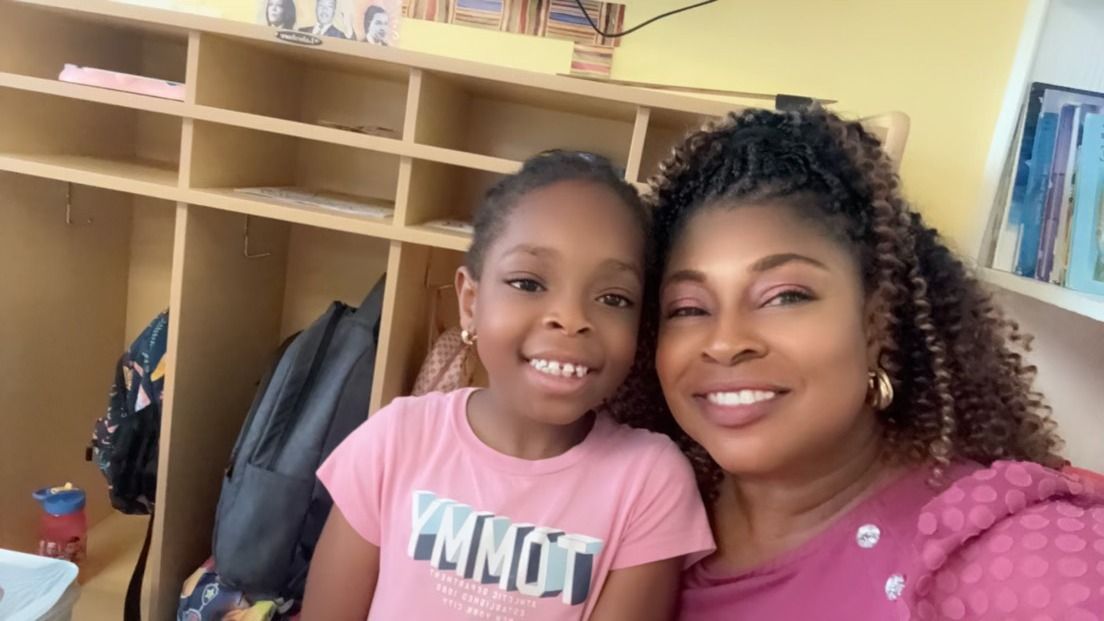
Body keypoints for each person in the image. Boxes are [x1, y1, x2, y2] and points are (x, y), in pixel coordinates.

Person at [627, 106, 1104, 619]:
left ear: (876, 321)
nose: (724, 343)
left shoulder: (1019, 557)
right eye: (688, 308)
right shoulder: (635, 514)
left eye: (785, 296)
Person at [302, 151, 714, 620]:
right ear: (471, 302)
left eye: (613, 297)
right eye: (529, 283)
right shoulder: (396, 439)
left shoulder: (649, 481)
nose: (572, 319)